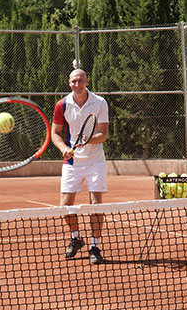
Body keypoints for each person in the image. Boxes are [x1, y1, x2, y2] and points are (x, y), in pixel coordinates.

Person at [51, 69, 109, 264]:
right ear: (69, 83)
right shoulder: (62, 105)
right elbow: (55, 133)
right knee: (65, 206)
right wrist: (63, 148)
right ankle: (76, 237)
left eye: (80, 81)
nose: (77, 84)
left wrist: (86, 140)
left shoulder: (100, 102)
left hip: (95, 161)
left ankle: (95, 246)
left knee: (96, 204)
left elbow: (103, 134)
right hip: (72, 162)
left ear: (87, 81)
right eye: (74, 81)